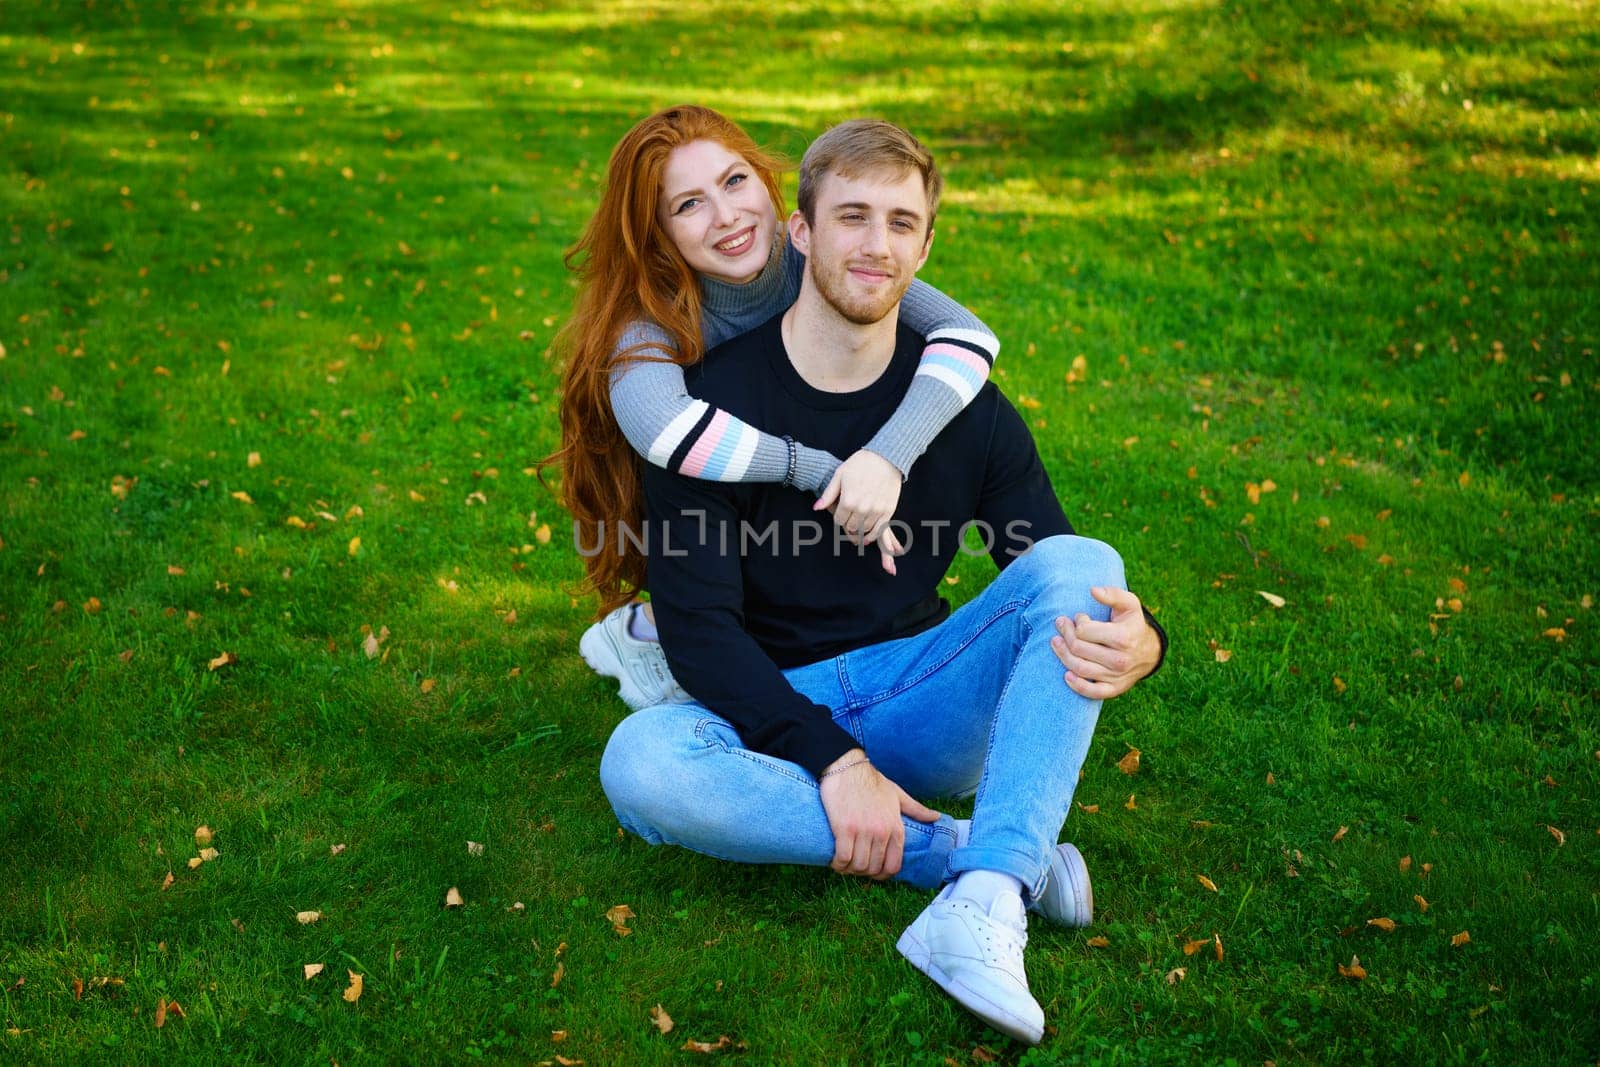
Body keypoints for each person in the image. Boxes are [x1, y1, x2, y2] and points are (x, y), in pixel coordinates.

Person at [597, 120, 1168, 1045]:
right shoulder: (708, 409)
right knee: (641, 761)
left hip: (923, 695)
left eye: (901, 223)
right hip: (774, 709)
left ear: (927, 245)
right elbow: (702, 634)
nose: (875, 244)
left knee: (1086, 565)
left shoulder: (960, 401)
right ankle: (981, 858)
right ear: (802, 234)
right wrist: (836, 759)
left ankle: (979, 910)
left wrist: (1147, 640)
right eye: (851, 216)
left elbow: (1046, 563)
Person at [545, 106, 1001, 710]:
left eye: (735, 181)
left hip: (797, 442)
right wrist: (819, 469)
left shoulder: (820, 259)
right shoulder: (649, 322)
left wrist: (886, 458)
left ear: (766, 182)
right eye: (689, 204)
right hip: (700, 498)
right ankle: (649, 631)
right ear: (658, 233)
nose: (727, 216)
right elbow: (665, 432)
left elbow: (970, 339)